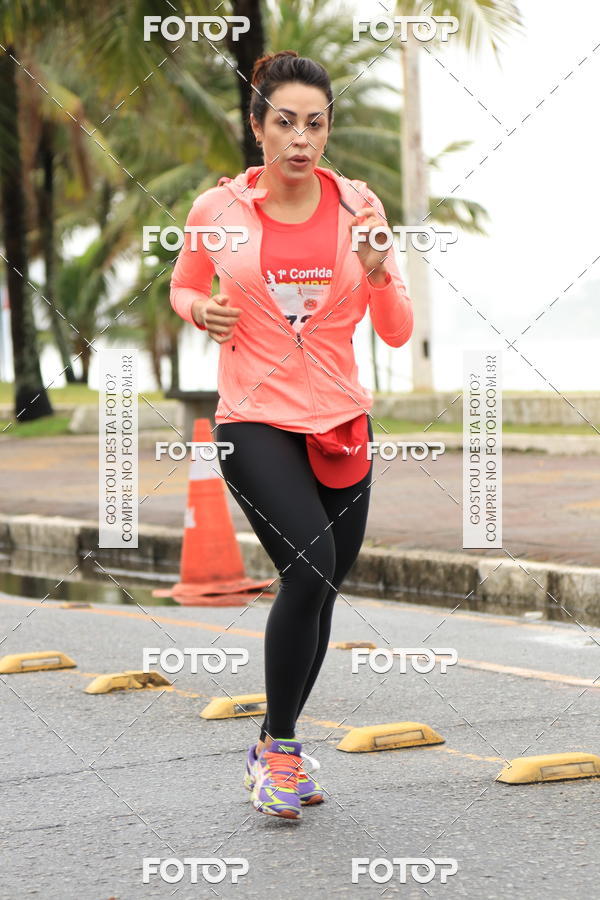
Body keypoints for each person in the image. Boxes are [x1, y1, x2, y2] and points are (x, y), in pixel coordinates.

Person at [170, 50, 413, 820]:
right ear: (257, 127)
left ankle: (281, 742)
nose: (300, 138)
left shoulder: (359, 209)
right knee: (308, 571)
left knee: (327, 583)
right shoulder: (218, 211)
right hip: (253, 417)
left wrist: (377, 272)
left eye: (315, 123)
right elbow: (184, 283)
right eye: (284, 122)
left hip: (341, 418)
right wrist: (195, 311)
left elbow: (399, 332)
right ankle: (276, 750)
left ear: (329, 128)